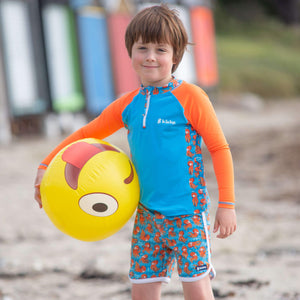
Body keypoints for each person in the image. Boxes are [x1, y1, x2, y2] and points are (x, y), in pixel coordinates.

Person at [34, 4, 236, 300]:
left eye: (161, 49)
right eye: (142, 48)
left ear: (176, 56)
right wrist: (46, 163)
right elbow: (86, 134)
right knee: (141, 293)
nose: (151, 56)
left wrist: (227, 204)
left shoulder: (191, 97)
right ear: (130, 53)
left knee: (197, 291)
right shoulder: (128, 104)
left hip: (188, 216)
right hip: (146, 217)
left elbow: (219, 148)